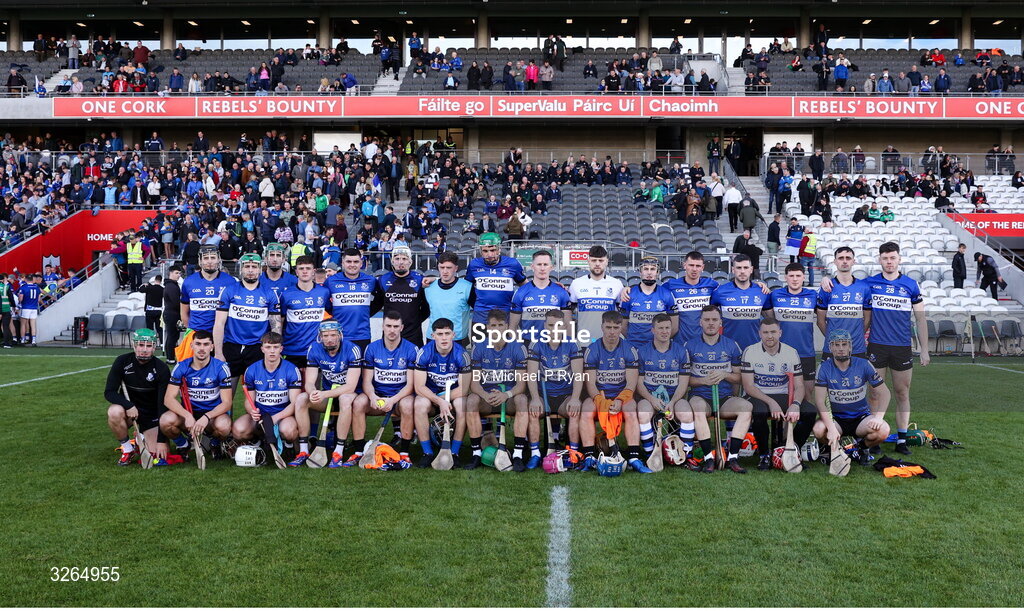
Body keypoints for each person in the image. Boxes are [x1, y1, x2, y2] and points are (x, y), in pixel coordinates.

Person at [859, 242, 928, 454]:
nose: (889, 262)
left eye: (893, 258)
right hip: (877, 346)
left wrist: (924, 348)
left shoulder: (910, 285)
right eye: (885, 258)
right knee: (874, 394)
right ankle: (874, 437)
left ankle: (901, 440)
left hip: (902, 348)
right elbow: (846, 284)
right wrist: (826, 280)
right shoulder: (869, 283)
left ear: (899, 259)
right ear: (880, 260)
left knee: (902, 393)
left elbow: (920, 318)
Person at [577, 311, 650, 474]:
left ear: (621, 328)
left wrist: (620, 400)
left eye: (616, 327)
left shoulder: (629, 350)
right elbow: (590, 383)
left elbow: (631, 383)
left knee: (631, 411)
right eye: (608, 327)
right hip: (599, 394)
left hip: (622, 394)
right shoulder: (592, 349)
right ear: (602, 327)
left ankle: (633, 457)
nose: (612, 331)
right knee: (587, 410)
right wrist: (600, 400)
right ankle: (589, 457)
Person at [683, 305, 753, 473]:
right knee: (698, 409)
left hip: (724, 397)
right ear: (700, 322)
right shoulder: (689, 346)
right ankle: (708, 458)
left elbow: (739, 378)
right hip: (700, 396)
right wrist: (703, 380)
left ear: (720, 322)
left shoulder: (731, 345)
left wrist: (725, 375)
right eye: (707, 320)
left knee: (746, 408)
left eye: (714, 320)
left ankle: (733, 457)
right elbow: (684, 380)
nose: (711, 323)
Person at [288, 320, 365, 467]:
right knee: (302, 399)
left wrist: (324, 394)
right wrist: (313, 392)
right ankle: (304, 450)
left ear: (340, 335)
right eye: (325, 336)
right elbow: (310, 382)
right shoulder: (314, 349)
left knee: (345, 399)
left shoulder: (352, 349)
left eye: (333, 335)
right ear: (320, 337)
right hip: (328, 395)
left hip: (350, 394)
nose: (329, 339)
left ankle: (338, 452)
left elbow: (350, 386)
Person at [812, 330, 891, 466]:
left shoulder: (864, 364)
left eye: (844, 344)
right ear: (830, 348)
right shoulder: (824, 367)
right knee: (818, 430)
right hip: (836, 418)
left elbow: (885, 393)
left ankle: (861, 449)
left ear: (850, 347)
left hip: (860, 418)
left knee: (884, 430)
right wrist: (831, 428)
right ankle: (833, 448)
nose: (841, 348)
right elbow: (819, 402)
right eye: (836, 345)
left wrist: (879, 417)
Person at [465, 309, 531, 470]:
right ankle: (476, 454)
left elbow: (521, 385)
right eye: (493, 325)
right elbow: (474, 384)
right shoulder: (478, 348)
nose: (497, 329)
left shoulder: (518, 348)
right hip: (487, 398)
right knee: (472, 399)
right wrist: (485, 395)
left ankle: (517, 455)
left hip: (508, 398)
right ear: (487, 328)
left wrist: (506, 394)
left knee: (522, 399)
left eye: (501, 325)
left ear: (507, 327)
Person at [353, 311, 418, 465]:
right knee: (358, 403)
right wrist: (373, 397)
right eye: (388, 326)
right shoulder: (371, 348)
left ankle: (404, 452)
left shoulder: (411, 349)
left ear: (402, 327)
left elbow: (410, 385)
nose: (392, 330)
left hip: (400, 397)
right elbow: (367, 381)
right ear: (382, 326)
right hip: (378, 395)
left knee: (408, 405)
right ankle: (358, 451)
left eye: (396, 326)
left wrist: (393, 400)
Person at [741, 317, 805, 470]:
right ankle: (764, 455)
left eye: (773, 332)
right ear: (759, 334)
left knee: (809, 412)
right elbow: (748, 386)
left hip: (782, 393)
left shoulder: (791, 352)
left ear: (780, 333)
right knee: (759, 411)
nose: (770, 336)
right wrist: (770, 402)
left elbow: (800, 386)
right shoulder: (750, 351)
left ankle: (790, 450)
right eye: (765, 332)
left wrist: (796, 404)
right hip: (757, 394)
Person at [160, 330, 234, 458]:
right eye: (198, 344)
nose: (201, 348)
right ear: (191, 346)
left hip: (212, 416)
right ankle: (183, 445)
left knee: (224, 426)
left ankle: (214, 444)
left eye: (206, 344)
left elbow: (227, 403)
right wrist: (187, 415)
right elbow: (168, 399)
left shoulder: (221, 368)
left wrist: (206, 417)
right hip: (189, 414)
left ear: (212, 347)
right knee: (166, 420)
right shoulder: (181, 367)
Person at [213, 253, 282, 389]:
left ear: (260, 269)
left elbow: (276, 326)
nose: (250, 270)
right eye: (247, 266)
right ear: (241, 269)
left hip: (257, 348)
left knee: (258, 393)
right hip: (232, 346)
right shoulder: (229, 291)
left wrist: (275, 350)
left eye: (254, 267)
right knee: (226, 393)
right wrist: (218, 353)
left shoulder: (269, 293)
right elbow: (219, 324)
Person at [105, 329, 171, 466]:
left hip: (151, 414)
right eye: (141, 345)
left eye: (148, 346)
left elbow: (162, 405)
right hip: (129, 411)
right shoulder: (122, 361)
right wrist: (129, 406)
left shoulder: (162, 369)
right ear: (134, 346)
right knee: (114, 412)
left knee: (157, 455)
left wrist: (160, 441)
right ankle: (128, 449)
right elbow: (109, 392)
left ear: (154, 347)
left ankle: (141, 437)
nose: (144, 349)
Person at [412, 318, 472, 467]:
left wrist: (446, 401)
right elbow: (419, 387)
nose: (444, 338)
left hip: (454, 396)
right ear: (433, 336)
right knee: (419, 404)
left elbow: (464, 389)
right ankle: (428, 452)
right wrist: (439, 401)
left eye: (447, 333)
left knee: (462, 404)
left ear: (454, 334)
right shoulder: (424, 353)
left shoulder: (462, 355)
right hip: (431, 396)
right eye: (440, 334)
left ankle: (455, 452)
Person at [526, 309, 584, 455]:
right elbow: (531, 375)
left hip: (565, 395)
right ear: (545, 326)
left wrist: (576, 398)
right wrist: (534, 399)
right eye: (551, 325)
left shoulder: (573, 344)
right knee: (532, 411)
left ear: (564, 326)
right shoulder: (536, 344)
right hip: (543, 394)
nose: (554, 329)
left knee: (574, 411)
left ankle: (573, 454)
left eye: (558, 326)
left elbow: (578, 375)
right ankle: (535, 454)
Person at [763, 263, 819, 408]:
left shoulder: (812, 295)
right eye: (791, 276)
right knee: (781, 395)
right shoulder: (775, 295)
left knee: (807, 394)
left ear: (804, 277)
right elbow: (769, 317)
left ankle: (803, 430)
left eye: (798, 276)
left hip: (806, 353)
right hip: (781, 354)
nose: (795, 279)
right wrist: (759, 284)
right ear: (785, 277)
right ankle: (783, 430)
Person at [637, 313, 694, 456]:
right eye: (660, 328)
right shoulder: (642, 352)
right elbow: (638, 383)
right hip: (651, 398)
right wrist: (652, 399)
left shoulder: (681, 351)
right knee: (643, 413)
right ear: (653, 330)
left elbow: (683, 382)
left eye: (667, 328)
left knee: (687, 414)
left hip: (674, 397)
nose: (664, 331)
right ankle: (651, 454)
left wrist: (673, 402)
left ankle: (685, 455)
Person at [231, 332, 301, 449]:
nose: (272, 351)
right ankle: (256, 439)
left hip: (282, 415)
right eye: (268, 347)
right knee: (239, 430)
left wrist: (275, 418)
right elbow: (249, 401)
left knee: (289, 431)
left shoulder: (292, 370)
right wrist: (252, 411)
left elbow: (295, 403)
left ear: (281, 349)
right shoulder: (252, 370)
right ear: (262, 349)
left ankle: (287, 444)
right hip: (260, 415)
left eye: (276, 347)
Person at [464, 233, 526, 337]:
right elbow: (465, 287)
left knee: (505, 351)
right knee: (479, 350)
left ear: (499, 249)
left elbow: (525, 286)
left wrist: (547, 285)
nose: (489, 254)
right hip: (481, 316)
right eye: (485, 251)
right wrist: (435, 279)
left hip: (505, 316)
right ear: (480, 251)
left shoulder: (513, 264)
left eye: (492, 250)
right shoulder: (474, 264)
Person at [816, 247, 871, 360]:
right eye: (841, 258)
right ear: (835, 262)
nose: (845, 261)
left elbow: (867, 320)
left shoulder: (863, 287)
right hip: (832, 348)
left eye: (848, 258)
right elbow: (820, 321)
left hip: (857, 348)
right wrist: (833, 339)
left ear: (853, 261)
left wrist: (857, 337)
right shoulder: (827, 287)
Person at [278, 256, 331, 369]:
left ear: (314, 271)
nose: (305, 271)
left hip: (316, 348)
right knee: (293, 384)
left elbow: (331, 313)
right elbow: (280, 321)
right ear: (296, 272)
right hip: (292, 349)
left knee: (314, 384)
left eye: (308, 268)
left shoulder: (324, 292)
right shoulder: (287, 294)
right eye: (301, 268)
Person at [509, 250, 572, 342]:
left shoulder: (561, 292)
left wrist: (567, 346)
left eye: (545, 264)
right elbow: (513, 327)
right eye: (539, 264)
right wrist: (517, 347)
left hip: (554, 344)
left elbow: (568, 325)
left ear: (551, 267)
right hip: (528, 344)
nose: (542, 268)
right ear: (532, 266)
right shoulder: (520, 292)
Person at [373, 245, 429, 346]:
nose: (400, 262)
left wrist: (415, 321)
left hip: (413, 336)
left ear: (410, 261)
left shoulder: (420, 280)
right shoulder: (383, 280)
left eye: (404, 258)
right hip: (390, 335)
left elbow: (426, 308)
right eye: (397, 258)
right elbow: (377, 305)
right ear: (392, 261)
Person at [711, 254, 769, 351]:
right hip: (727, 349)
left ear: (751, 269)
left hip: (755, 349)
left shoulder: (762, 291)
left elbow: (770, 319)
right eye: (739, 268)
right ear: (733, 270)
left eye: (745, 267)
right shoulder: (720, 292)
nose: (742, 271)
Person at [569, 245, 625, 344]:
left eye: (601, 260)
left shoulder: (616, 284)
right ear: (588, 261)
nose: (597, 264)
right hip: (584, 341)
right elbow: (570, 314)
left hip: (609, 342)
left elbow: (622, 314)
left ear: (607, 261)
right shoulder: (576, 283)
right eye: (594, 260)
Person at [327, 248, 379, 353]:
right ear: (342, 263)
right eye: (348, 261)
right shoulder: (331, 281)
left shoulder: (370, 281)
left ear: (361, 263)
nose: (352, 265)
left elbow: (380, 300)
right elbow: (325, 304)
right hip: (338, 335)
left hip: (362, 335)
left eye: (356, 261)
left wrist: (367, 312)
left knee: (361, 368)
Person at [180, 245, 238, 336]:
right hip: (196, 335)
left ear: (219, 259)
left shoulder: (230, 281)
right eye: (206, 258)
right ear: (200, 260)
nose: (210, 261)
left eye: (213, 257)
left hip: (223, 335)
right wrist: (192, 333)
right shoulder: (188, 282)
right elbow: (184, 313)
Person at [619, 257, 676, 345]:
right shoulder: (629, 294)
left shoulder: (667, 294)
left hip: (657, 348)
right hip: (635, 346)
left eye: (653, 269)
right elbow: (623, 327)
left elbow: (674, 327)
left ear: (657, 272)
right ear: (640, 272)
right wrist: (635, 340)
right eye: (645, 269)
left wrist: (660, 342)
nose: (649, 272)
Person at [425, 252, 475, 345]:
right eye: (442, 267)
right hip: (434, 338)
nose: (445, 271)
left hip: (458, 339)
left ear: (456, 268)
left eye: (449, 268)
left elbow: (478, 310)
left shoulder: (467, 287)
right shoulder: (428, 287)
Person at [140, 275, 164, 341]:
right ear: (161, 281)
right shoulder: (163, 289)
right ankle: (162, 343)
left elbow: (140, 290)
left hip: (150, 310)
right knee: (159, 328)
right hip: (158, 310)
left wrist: (144, 285)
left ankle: (151, 342)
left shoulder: (150, 288)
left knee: (149, 328)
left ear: (155, 280)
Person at [0, 274, 17, 348]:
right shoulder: (7, 287)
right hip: (6, 308)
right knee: (6, 326)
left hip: (1, 309)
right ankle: (7, 343)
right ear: (3, 280)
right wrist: (14, 306)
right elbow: (11, 298)